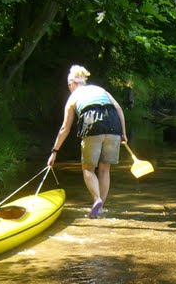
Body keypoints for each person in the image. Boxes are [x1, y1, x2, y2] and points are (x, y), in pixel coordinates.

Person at [47, 65, 128, 218]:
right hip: (114, 126)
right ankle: (100, 208)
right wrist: (123, 133)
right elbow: (118, 109)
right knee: (105, 169)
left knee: (88, 169)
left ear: (72, 84)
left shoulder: (73, 97)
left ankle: (96, 199)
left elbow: (65, 128)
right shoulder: (101, 90)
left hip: (93, 126)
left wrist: (54, 152)